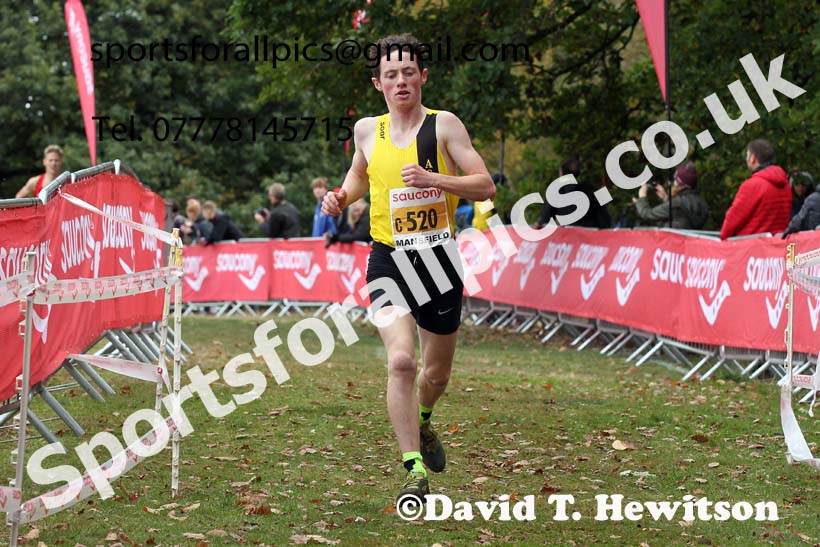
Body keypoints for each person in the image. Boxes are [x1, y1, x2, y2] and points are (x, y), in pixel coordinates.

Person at [321, 33, 495, 505]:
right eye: (391, 74)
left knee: (435, 376)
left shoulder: (444, 126)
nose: (401, 81)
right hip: (388, 259)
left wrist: (434, 178)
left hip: (439, 260)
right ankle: (412, 466)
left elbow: (485, 185)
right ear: (378, 83)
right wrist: (339, 199)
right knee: (401, 360)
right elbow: (358, 178)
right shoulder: (366, 131)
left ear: (423, 76)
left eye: (409, 72)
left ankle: (424, 419)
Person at [719, 139, 791, 240]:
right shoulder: (785, 185)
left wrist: (723, 236)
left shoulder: (752, 185)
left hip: (751, 248)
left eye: (748, 155)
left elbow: (733, 219)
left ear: (753, 158)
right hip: (776, 249)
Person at [536, 158, 611, 229]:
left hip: (569, 238)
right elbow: (606, 221)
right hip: (593, 236)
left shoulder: (555, 193)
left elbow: (543, 221)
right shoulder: (593, 189)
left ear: (561, 173)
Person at [632, 161, 709, 229]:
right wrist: (665, 198)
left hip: (672, 242)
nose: (673, 183)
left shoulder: (677, 203)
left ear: (681, 185)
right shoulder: (702, 203)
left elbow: (647, 214)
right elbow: (680, 217)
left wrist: (642, 197)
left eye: (675, 180)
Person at [782, 171, 819, 238]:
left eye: (804, 184)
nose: (800, 187)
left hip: (810, 237)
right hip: (793, 237)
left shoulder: (812, 200)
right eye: (797, 184)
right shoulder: (788, 201)